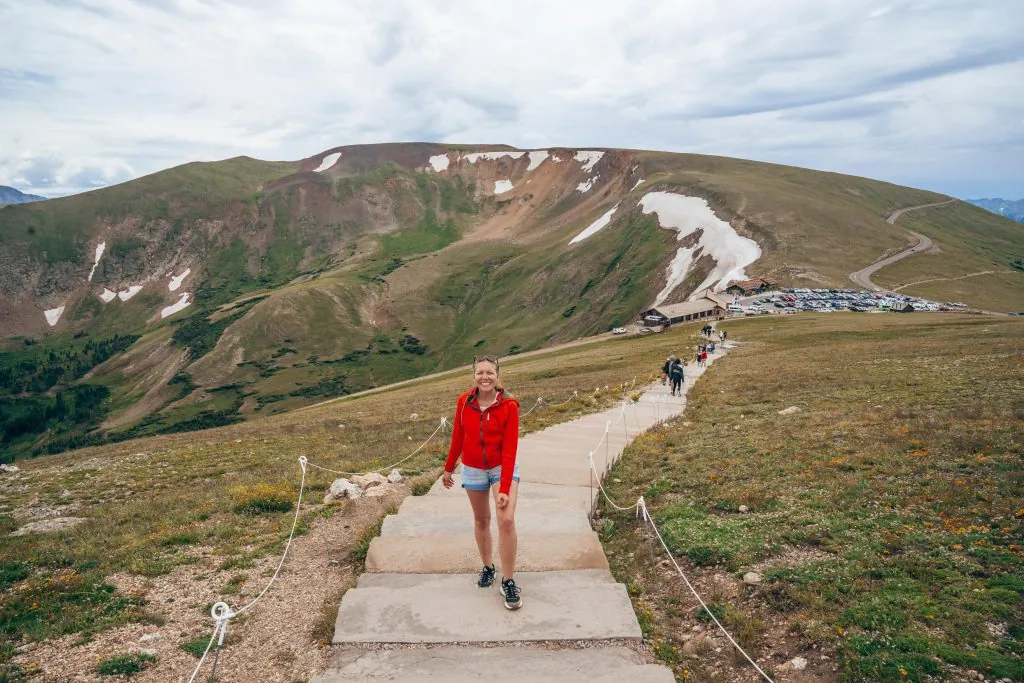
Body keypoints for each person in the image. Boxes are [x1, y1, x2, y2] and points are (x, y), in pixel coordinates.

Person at [442, 355, 522, 610]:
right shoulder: (464, 402)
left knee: (506, 519)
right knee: (481, 520)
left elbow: (510, 450)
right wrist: (448, 467)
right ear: (473, 376)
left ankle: (508, 581)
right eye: (480, 373)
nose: (485, 377)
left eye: (490, 373)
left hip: (501, 468)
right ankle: (488, 566)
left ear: (498, 376)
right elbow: (459, 434)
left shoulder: (509, 405)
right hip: (473, 468)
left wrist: (505, 488)